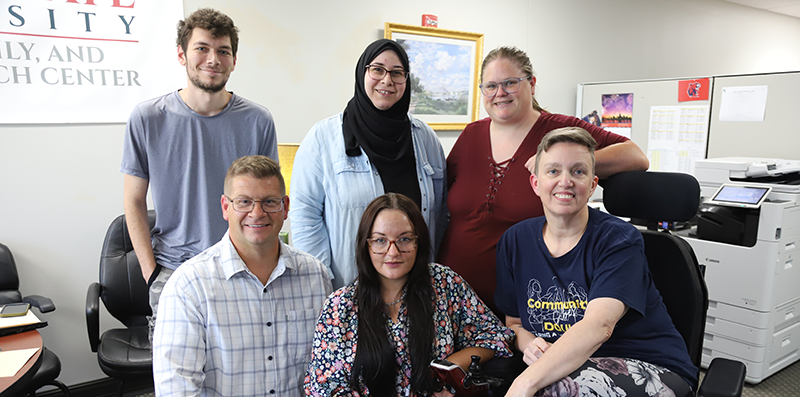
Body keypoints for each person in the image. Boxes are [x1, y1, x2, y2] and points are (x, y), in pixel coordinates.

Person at [439, 46, 649, 315]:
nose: (499, 93)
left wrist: (563, 164)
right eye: (490, 86)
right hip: (452, 298)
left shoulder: (560, 132)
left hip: (527, 305)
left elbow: (635, 156)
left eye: (510, 83)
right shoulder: (470, 135)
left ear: (532, 84)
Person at [495, 128, 696, 397]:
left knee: (554, 389)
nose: (565, 181)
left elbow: (599, 327)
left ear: (592, 185)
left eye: (578, 171)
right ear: (535, 183)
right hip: (567, 363)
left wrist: (525, 382)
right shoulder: (516, 240)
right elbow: (514, 322)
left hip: (647, 365)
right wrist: (530, 343)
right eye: (553, 171)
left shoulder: (619, 239)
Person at [120, 8, 278, 341]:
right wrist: (151, 274)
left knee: (241, 375)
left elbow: (266, 203)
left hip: (240, 268)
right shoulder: (148, 118)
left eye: (223, 51)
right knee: (176, 382)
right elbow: (133, 202)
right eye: (202, 48)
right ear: (182, 54)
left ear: (234, 60)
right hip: (172, 271)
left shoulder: (258, 121)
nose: (213, 59)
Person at [153, 155, 332, 396]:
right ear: (226, 208)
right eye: (244, 202)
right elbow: (176, 388)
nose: (257, 213)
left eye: (269, 202)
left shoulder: (315, 277)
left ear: (285, 207)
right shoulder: (189, 286)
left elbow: (329, 371)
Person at [304, 193, 513, 397]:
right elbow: (322, 387)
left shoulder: (444, 283)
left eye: (404, 239)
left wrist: (445, 371)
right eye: (380, 241)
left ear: (418, 241)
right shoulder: (340, 305)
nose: (393, 252)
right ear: (366, 245)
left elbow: (494, 335)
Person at [290, 39, 447, 289]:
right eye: (377, 70)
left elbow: (438, 212)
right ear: (362, 72)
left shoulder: (425, 138)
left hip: (417, 292)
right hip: (350, 291)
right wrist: (323, 287)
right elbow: (305, 219)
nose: (387, 80)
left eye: (397, 73)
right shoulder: (322, 138)